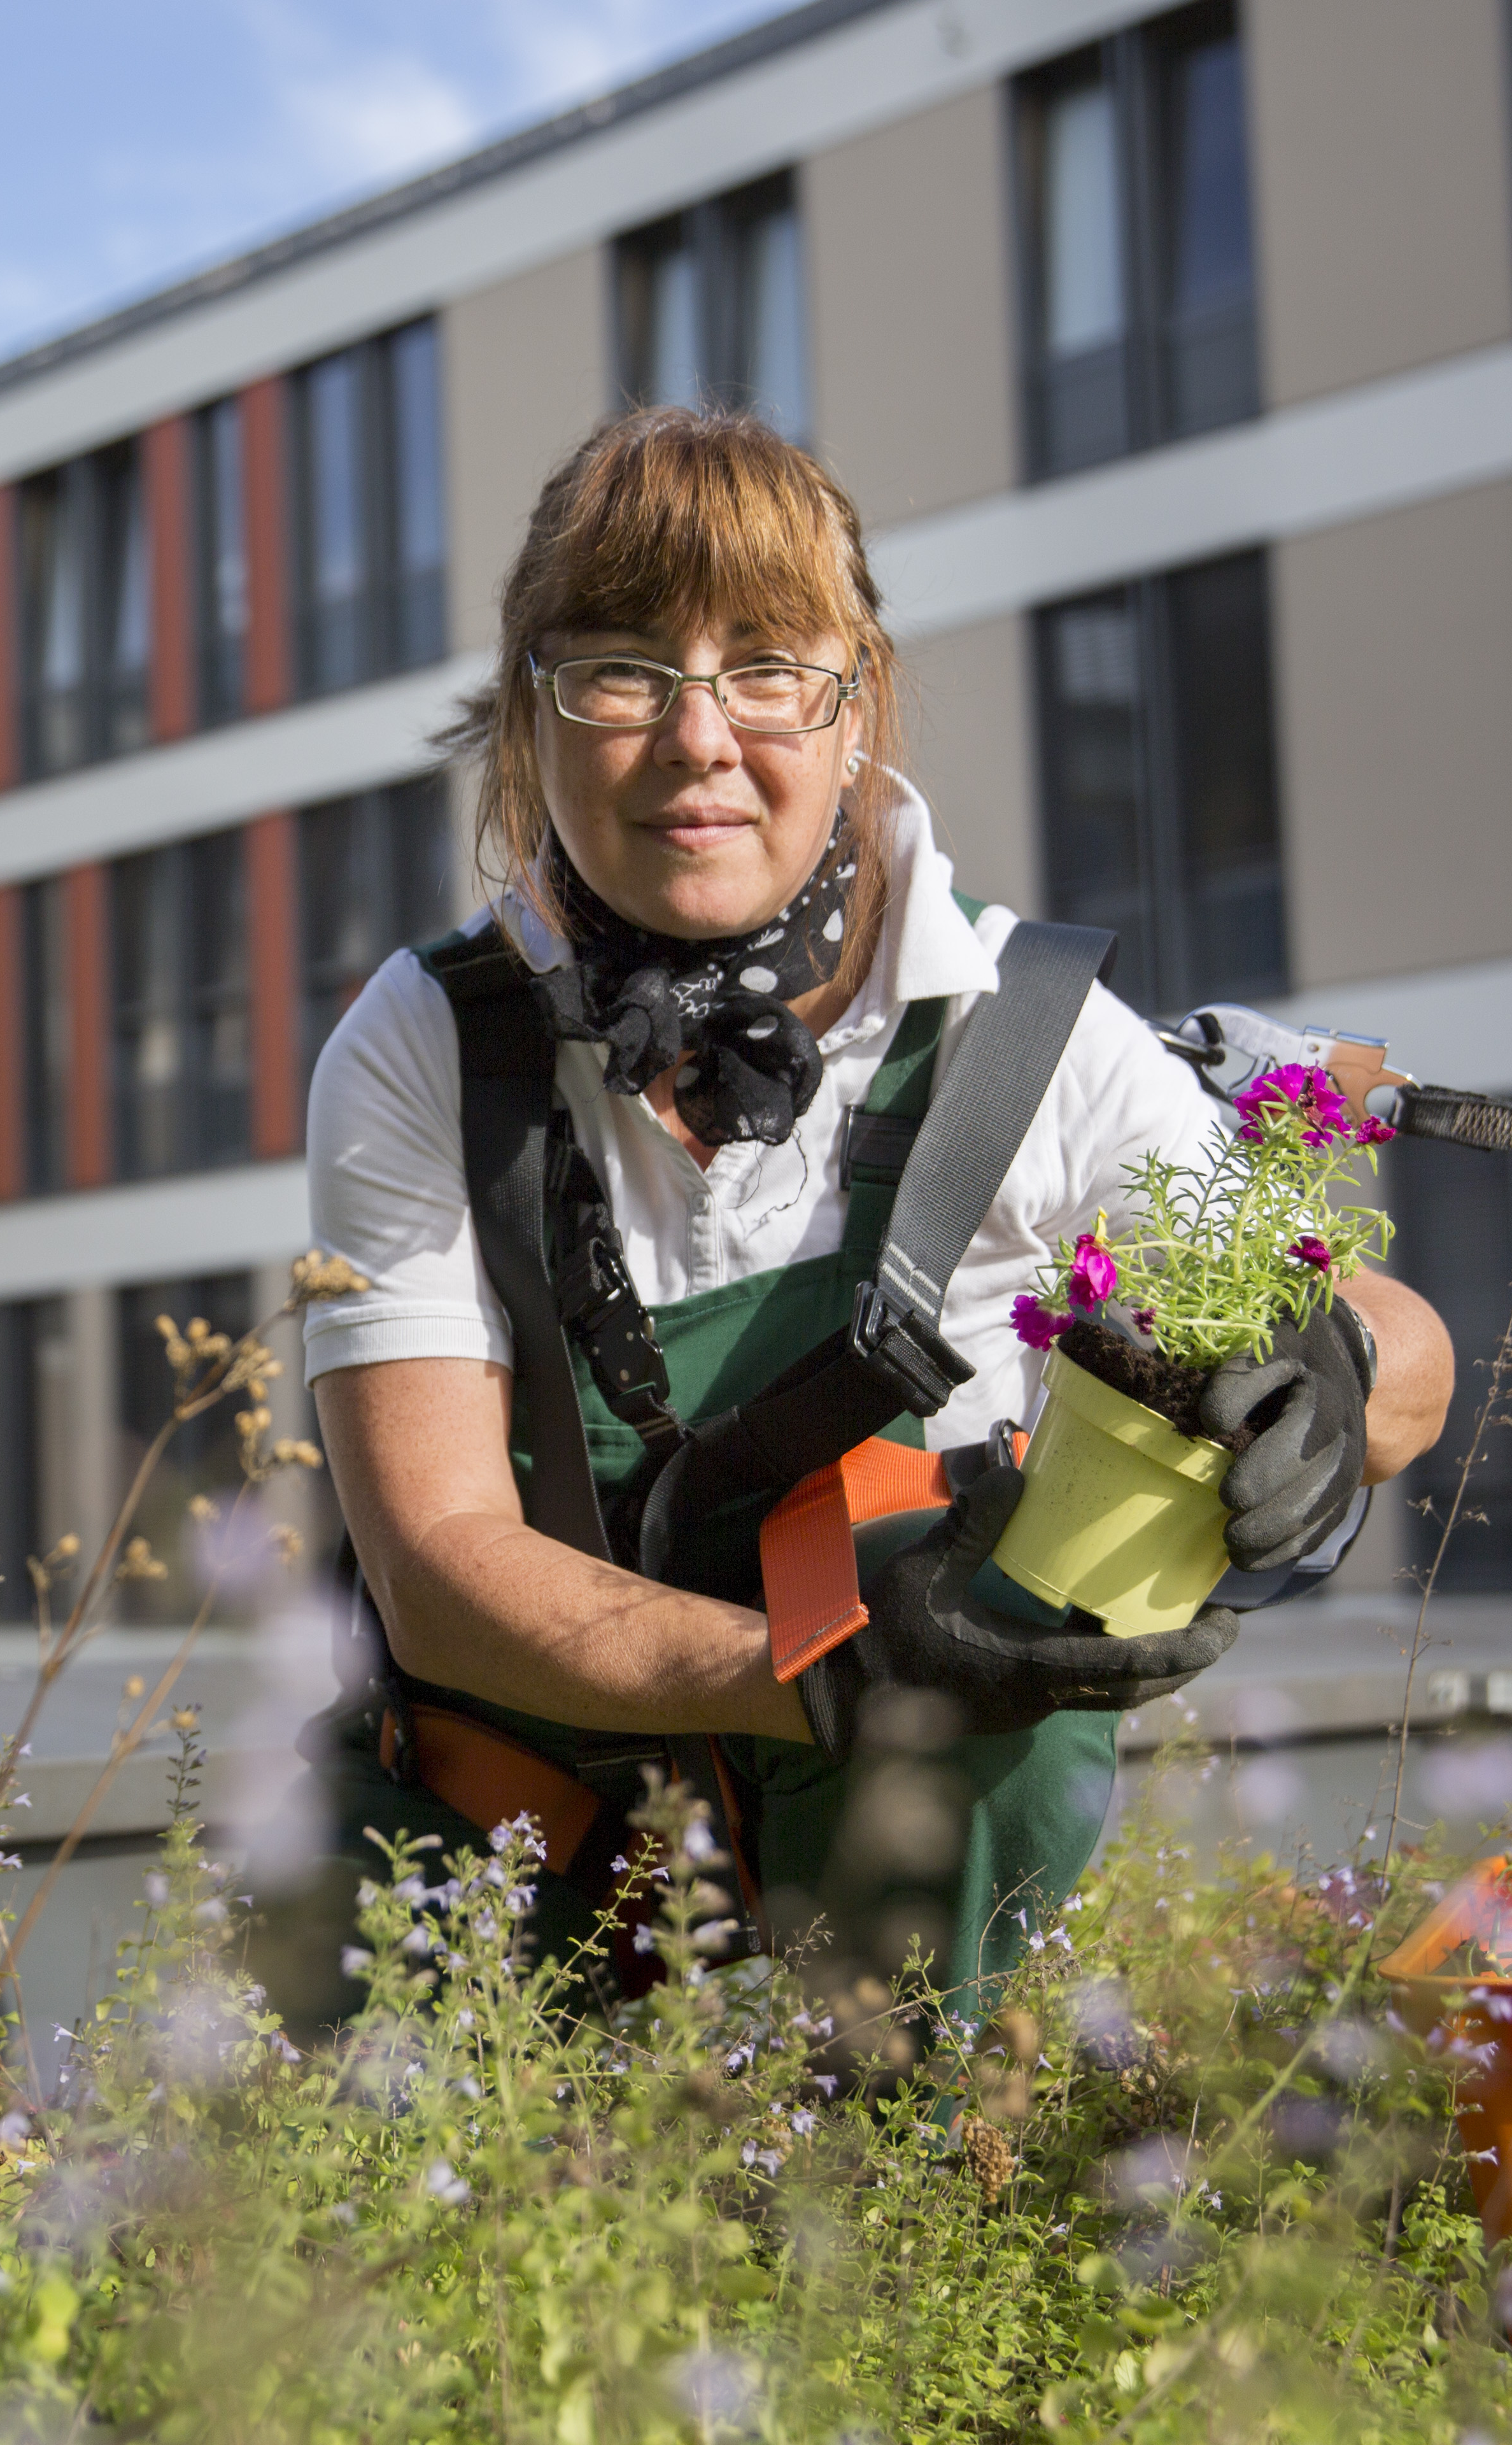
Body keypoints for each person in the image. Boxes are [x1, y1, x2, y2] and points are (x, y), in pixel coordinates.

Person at [298, 408, 1450, 2002]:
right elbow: (436, 1568)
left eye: (770, 664)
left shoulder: (1018, 1030)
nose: (701, 737)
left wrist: (1338, 1372)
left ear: (857, 706)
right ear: (530, 718)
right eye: (623, 669)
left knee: (1013, 1737)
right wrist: (835, 1676)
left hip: (906, 1913)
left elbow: (1400, 1338)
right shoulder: (429, 1045)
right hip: (514, 1868)